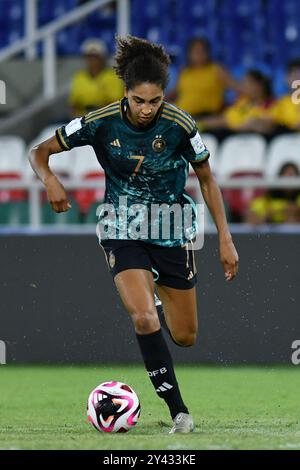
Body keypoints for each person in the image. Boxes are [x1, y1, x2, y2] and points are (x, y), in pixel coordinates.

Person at [29, 35, 239, 434]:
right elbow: (38, 152)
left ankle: (154, 296)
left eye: (154, 101)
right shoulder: (99, 121)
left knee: (185, 336)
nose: (146, 109)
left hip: (172, 231)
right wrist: (50, 179)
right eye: (139, 100)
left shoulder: (180, 125)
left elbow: (208, 180)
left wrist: (225, 238)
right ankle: (179, 411)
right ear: (125, 92)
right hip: (121, 227)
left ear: (164, 95)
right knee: (143, 318)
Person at [168, 37, 240, 119]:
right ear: (189, 54)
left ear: (208, 53)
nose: (199, 54)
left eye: (202, 51)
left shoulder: (216, 69)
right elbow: (174, 92)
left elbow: (237, 87)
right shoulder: (185, 71)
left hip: (207, 117)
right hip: (183, 115)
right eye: (196, 51)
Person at [199, 69, 274, 136]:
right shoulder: (243, 103)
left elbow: (266, 127)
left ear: (259, 86)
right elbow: (225, 120)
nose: (243, 86)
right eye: (243, 83)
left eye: (247, 83)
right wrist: (201, 124)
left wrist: (241, 126)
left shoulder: (271, 105)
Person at [69, 38, 123, 117]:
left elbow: (116, 103)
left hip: (107, 118)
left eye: (96, 57)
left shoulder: (113, 76)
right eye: (89, 57)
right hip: (83, 118)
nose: (92, 61)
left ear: (103, 58)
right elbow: (73, 104)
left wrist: (96, 110)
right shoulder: (79, 77)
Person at [268, 60, 300, 132]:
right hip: (289, 140)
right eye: (293, 75)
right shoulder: (281, 103)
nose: (297, 79)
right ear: (286, 79)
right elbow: (272, 123)